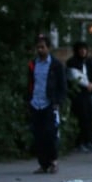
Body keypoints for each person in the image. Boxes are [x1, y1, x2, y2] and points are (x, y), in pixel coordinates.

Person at [27, 34, 67, 174]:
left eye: (42, 47)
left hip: (49, 103)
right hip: (35, 103)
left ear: (48, 48)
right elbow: (30, 83)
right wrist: (29, 99)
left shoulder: (56, 65)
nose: (40, 50)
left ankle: (53, 161)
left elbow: (62, 86)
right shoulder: (33, 64)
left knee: (50, 133)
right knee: (38, 135)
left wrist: (58, 102)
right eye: (38, 47)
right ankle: (43, 164)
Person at [66, 41, 92, 153]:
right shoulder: (72, 63)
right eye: (81, 49)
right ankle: (80, 142)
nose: (83, 51)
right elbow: (74, 77)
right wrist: (87, 84)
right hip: (78, 94)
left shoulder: (86, 62)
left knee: (89, 116)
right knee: (81, 117)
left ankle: (88, 141)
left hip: (87, 94)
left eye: (85, 49)